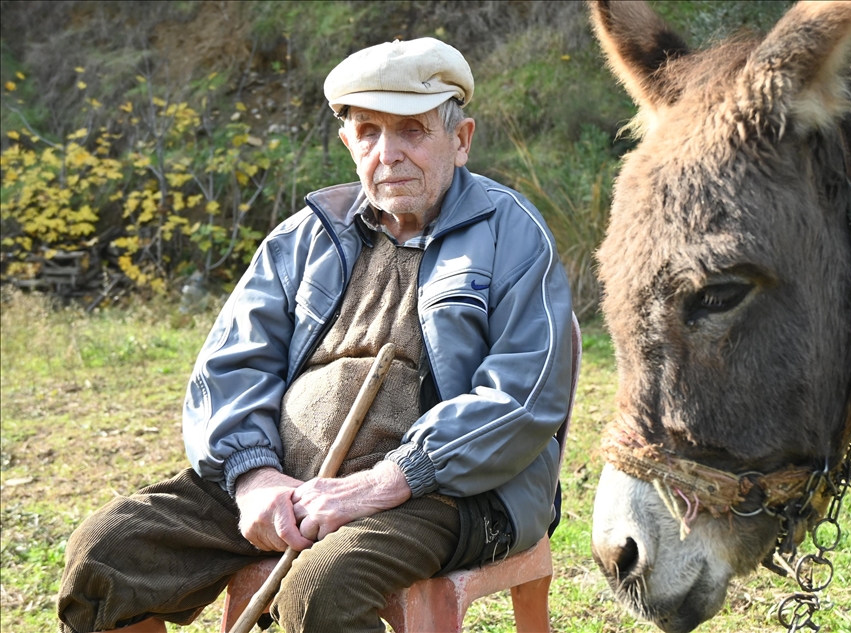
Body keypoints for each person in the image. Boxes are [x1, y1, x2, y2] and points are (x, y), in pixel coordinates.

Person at [56, 37, 573, 632]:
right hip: (289, 484)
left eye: (412, 131)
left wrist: (384, 482)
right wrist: (254, 477)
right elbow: (230, 366)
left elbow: (523, 395)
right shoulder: (305, 236)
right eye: (369, 132)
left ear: (460, 140)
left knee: (322, 588)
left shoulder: (513, 233)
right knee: (108, 555)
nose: (389, 153)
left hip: (450, 491)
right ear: (347, 141)